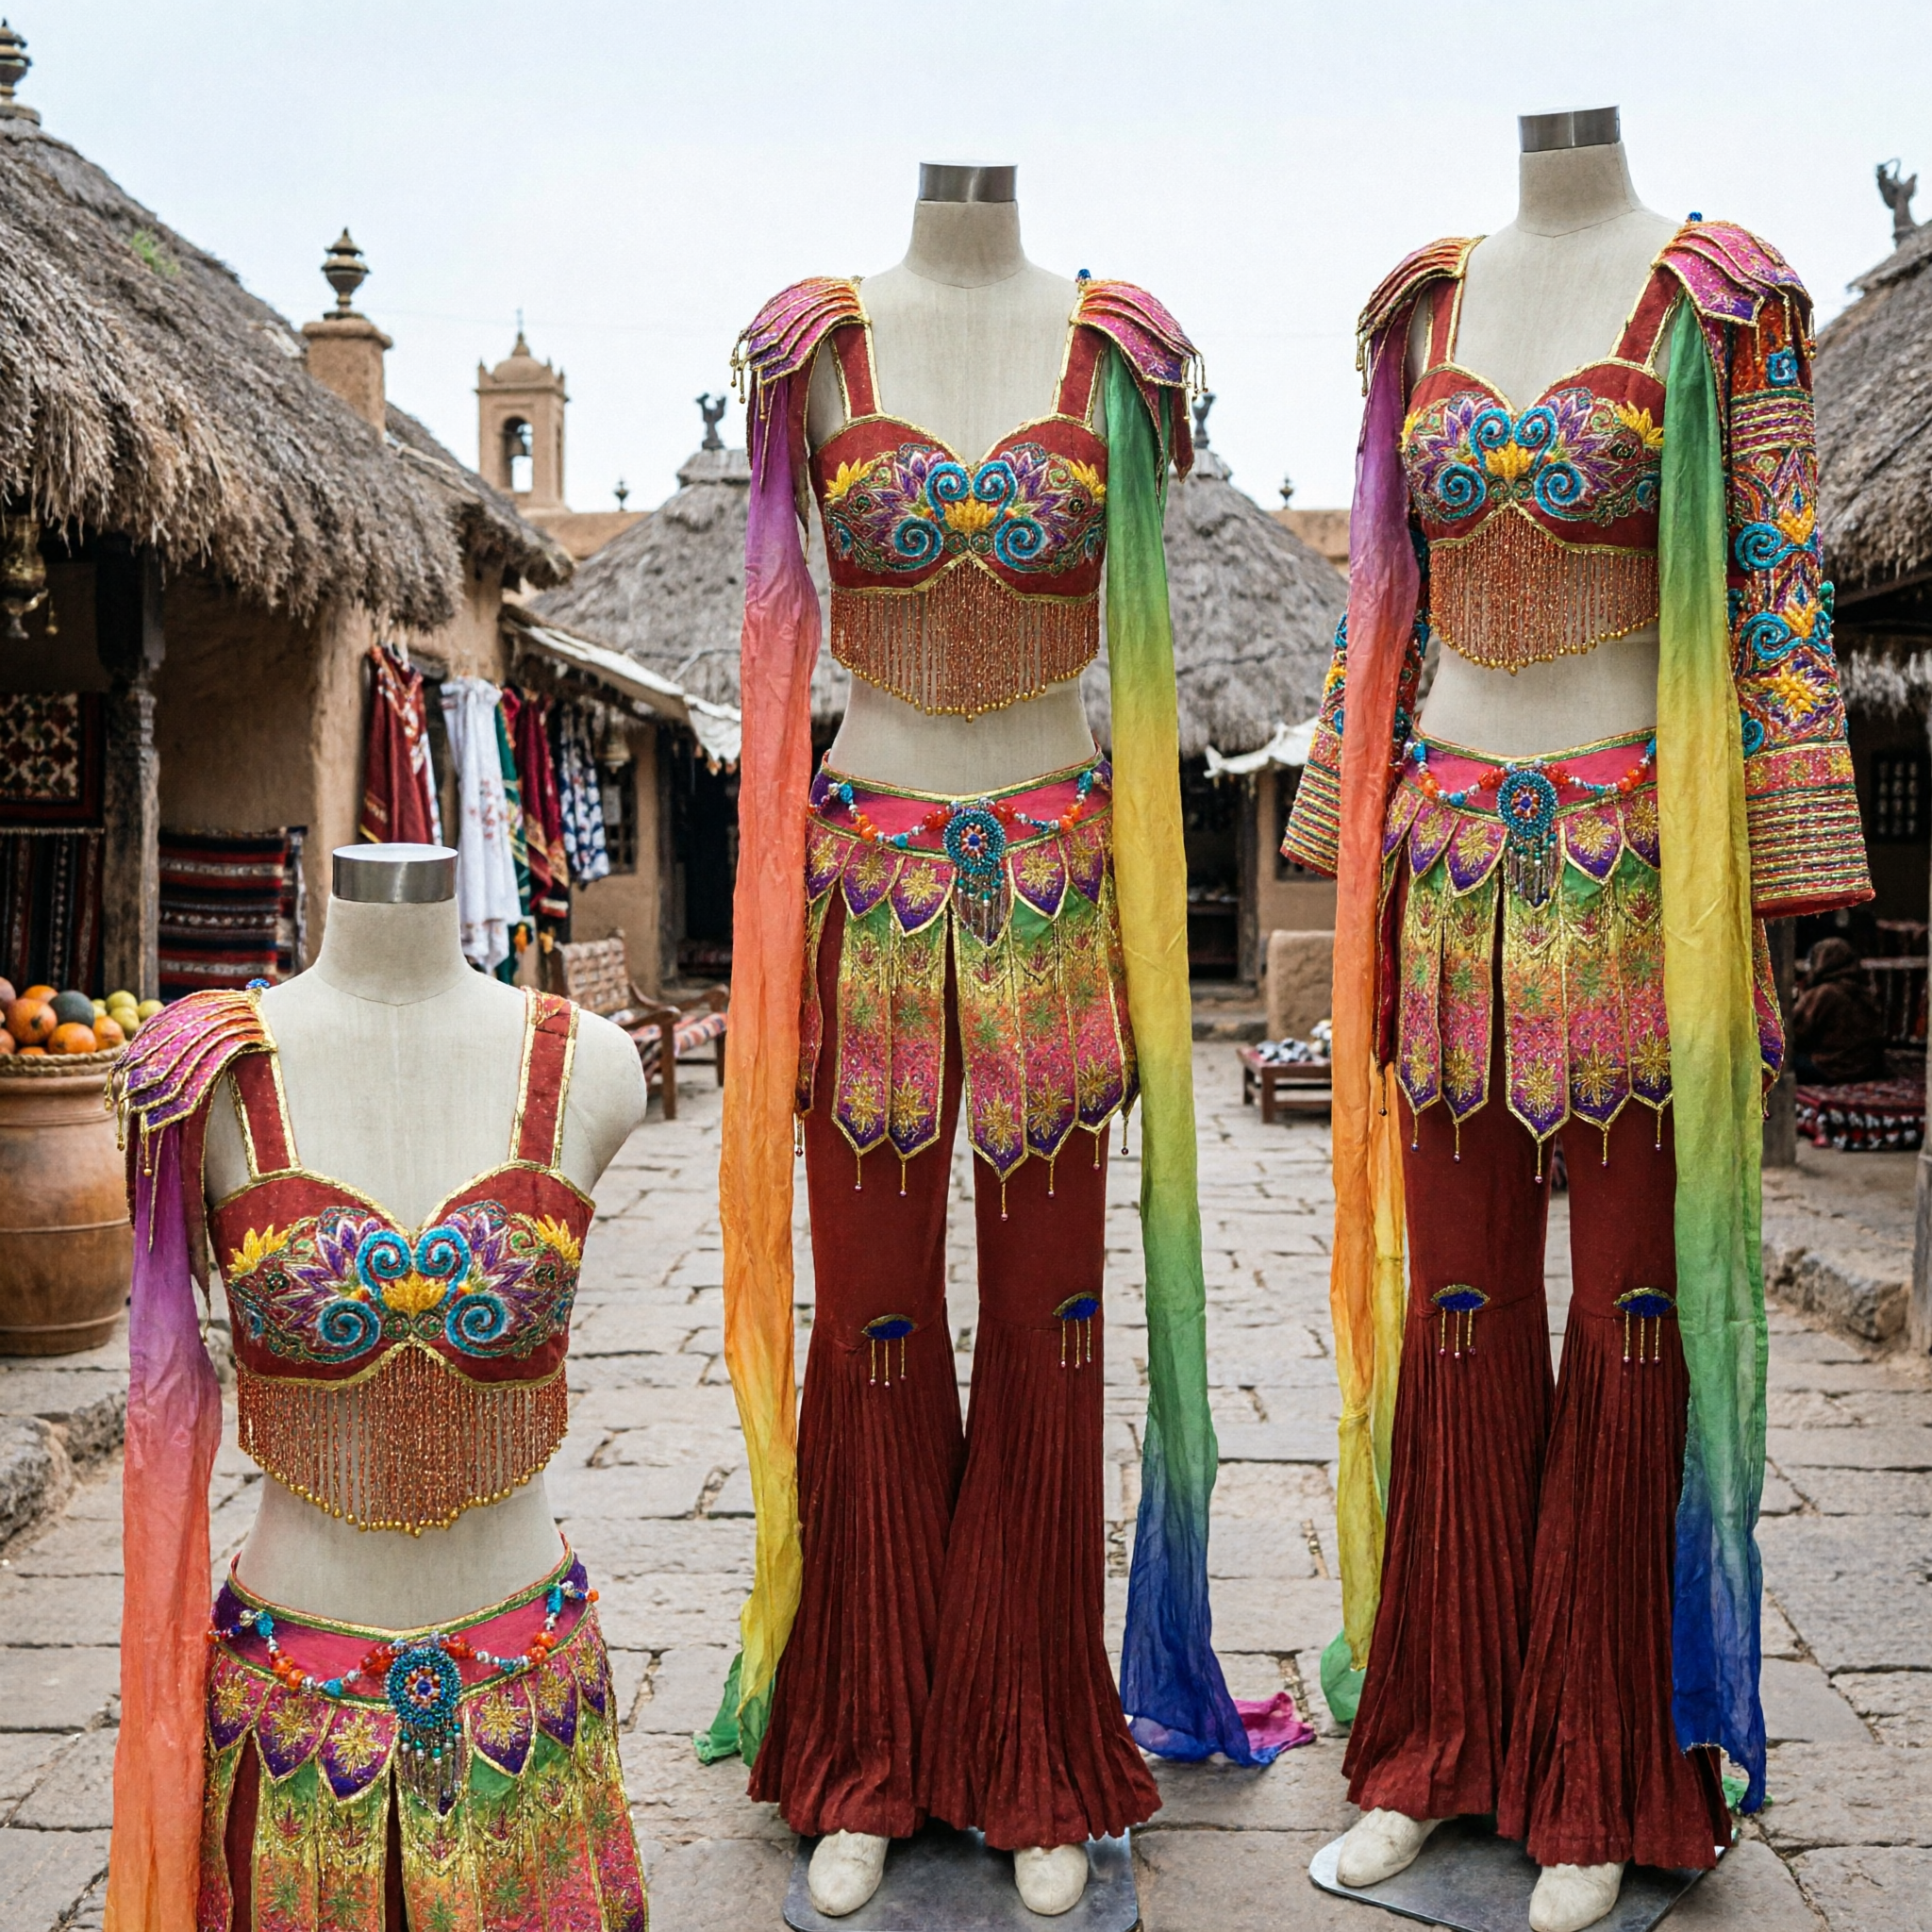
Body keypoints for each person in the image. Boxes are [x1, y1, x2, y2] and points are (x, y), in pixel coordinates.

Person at [1791, 937, 1889, 1084]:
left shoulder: (1825, 993)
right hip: (1867, 1069)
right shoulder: (1866, 992)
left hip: (1832, 1069)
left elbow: (1794, 1034)